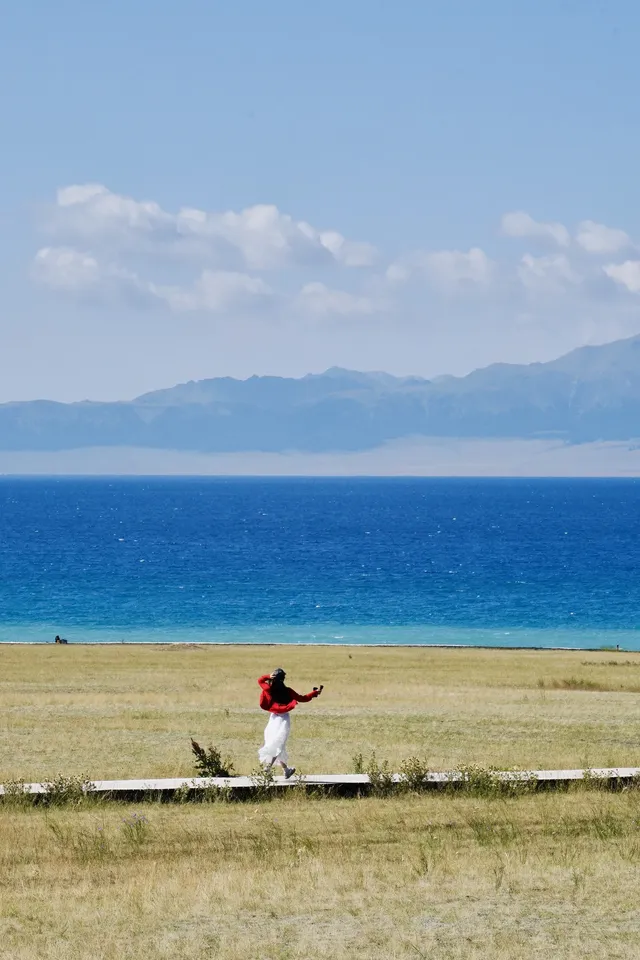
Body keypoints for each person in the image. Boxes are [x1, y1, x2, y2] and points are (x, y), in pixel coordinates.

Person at [257, 668, 322, 778]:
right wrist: (314, 693)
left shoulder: (268, 689)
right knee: (278, 744)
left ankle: (286, 770)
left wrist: (268, 676)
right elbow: (303, 698)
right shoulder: (288, 691)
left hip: (273, 718)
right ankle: (268, 768)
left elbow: (260, 680)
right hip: (283, 719)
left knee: (277, 744)